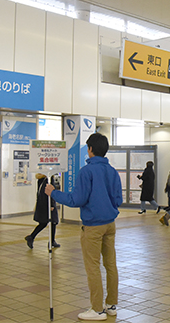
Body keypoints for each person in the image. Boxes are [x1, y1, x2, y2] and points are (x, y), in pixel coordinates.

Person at [45, 132, 122, 320]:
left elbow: (76, 199)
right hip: (110, 224)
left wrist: (54, 193)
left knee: (93, 266)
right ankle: (111, 305)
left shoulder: (86, 171)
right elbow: (118, 199)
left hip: (93, 226)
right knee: (110, 264)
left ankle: (97, 309)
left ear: (90, 149)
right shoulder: (112, 171)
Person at [25, 173, 60, 249]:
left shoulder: (41, 179)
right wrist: (52, 205)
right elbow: (50, 193)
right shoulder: (49, 179)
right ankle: (51, 241)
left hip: (42, 204)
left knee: (44, 223)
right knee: (52, 222)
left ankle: (32, 237)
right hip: (48, 205)